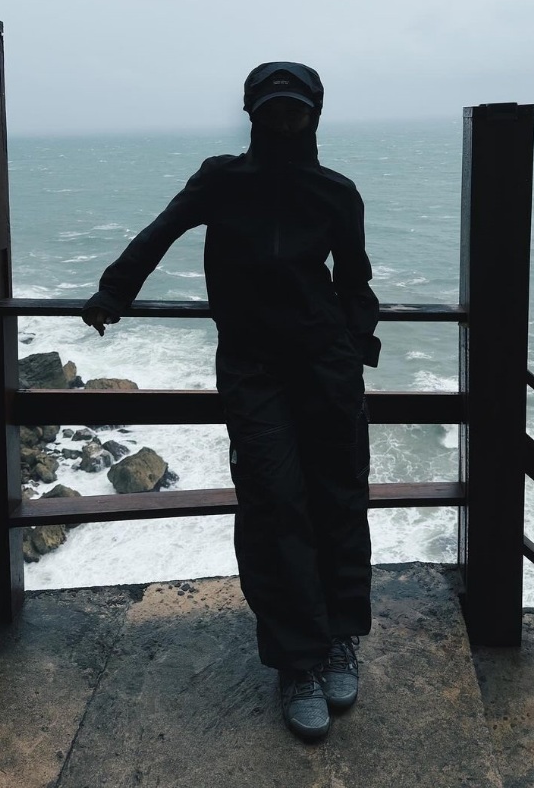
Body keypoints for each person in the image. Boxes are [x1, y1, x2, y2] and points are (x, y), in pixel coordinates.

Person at [82, 62, 381, 741]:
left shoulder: (337, 192)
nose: (283, 121)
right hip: (253, 370)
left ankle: (339, 637)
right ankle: (296, 662)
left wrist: (354, 348)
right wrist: (115, 290)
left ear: (314, 115)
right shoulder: (221, 179)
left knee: (338, 500)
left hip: (327, 367)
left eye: (294, 111)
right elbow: (161, 231)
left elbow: (355, 280)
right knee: (275, 505)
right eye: (272, 110)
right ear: (251, 113)